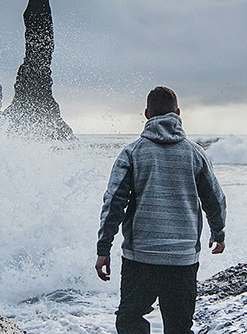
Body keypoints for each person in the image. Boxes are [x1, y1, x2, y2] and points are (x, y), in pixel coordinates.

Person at [96, 86, 227, 334]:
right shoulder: (195, 154)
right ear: (178, 113)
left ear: (146, 114)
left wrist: (104, 249)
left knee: (129, 321)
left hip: (141, 258)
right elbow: (215, 199)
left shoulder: (132, 153)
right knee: (179, 328)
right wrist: (218, 233)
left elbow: (114, 202)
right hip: (182, 259)